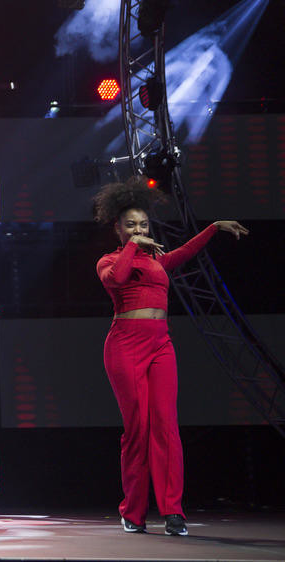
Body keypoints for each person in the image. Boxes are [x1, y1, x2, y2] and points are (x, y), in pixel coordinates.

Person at [93, 177, 248, 536]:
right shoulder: (109, 260)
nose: (139, 229)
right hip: (125, 345)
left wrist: (213, 227)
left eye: (144, 224)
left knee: (166, 426)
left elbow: (187, 251)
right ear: (117, 228)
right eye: (131, 225)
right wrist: (133, 245)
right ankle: (133, 511)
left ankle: (173, 511)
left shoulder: (157, 261)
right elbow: (117, 279)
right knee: (138, 429)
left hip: (161, 344)